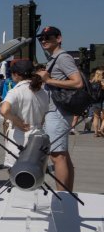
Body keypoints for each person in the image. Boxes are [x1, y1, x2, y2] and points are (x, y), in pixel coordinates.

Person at [36, 26, 83, 192]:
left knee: (57, 157)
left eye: (48, 37)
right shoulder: (54, 58)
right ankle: (67, 195)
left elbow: (77, 82)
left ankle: (62, 198)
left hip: (57, 112)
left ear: (59, 38)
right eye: (41, 38)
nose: (43, 40)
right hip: (56, 111)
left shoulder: (63, 58)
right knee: (62, 155)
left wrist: (48, 80)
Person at [0, 60, 50, 166]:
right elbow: (43, 118)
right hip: (38, 138)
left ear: (16, 75)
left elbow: (4, 110)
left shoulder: (16, 91)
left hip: (19, 139)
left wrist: (16, 120)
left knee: (17, 176)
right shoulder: (44, 93)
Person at [90, 68, 104, 137]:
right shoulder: (101, 83)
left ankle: (96, 133)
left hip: (93, 101)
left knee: (95, 117)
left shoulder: (92, 82)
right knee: (102, 117)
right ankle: (101, 130)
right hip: (100, 101)